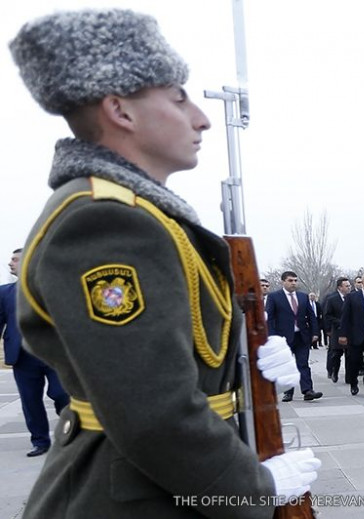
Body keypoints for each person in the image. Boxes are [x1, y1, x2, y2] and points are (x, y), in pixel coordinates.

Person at [9, 9, 319, 516]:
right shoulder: (106, 222)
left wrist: (243, 361)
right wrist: (251, 488)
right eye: (178, 98)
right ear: (121, 111)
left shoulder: (142, 214)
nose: (200, 118)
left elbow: (163, 358)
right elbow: (151, 408)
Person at [0, 249, 69, 457]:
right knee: (30, 401)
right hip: (22, 356)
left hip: (53, 353)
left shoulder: (51, 287)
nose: (10, 263)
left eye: (15, 259)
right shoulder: (4, 292)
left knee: (61, 394)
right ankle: (40, 441)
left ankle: (69, 434)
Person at [266, 272, 322, 402]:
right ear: (283, 282)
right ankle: (288, 392)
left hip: (301, 336)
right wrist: (272, 336)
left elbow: (311, 316)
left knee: (303, 364)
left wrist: (315, 333)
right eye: (290, 280)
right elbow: (270, 318)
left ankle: (308, 390)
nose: (293, 283)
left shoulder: (303, 297)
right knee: (286, 365)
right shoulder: (274, 297)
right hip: (283, 337)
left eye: (295, 280)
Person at [323, 277, 351, 382]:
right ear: (340, 287)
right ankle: (334, 372)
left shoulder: (352, 298)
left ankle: (349, 376)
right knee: (336, 354)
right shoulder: (332, 299)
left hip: (350, 331)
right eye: (346, 286)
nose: (349, 288)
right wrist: (339, 322)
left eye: (349, 286)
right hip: (337, 330)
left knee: (350, 355)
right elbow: (327, 315)